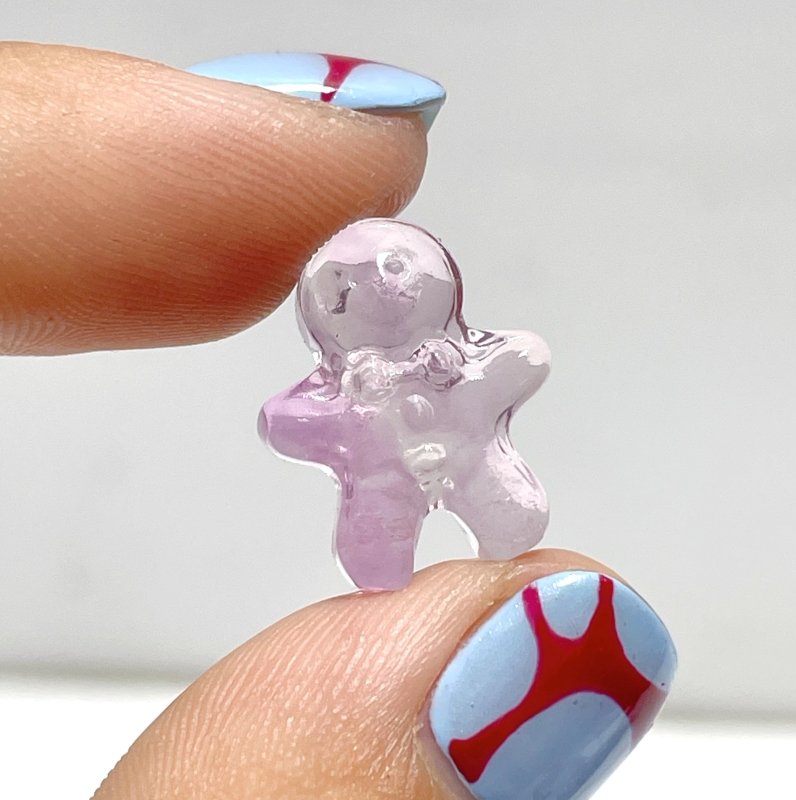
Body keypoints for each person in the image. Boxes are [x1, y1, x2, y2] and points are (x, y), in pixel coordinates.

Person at [0, 43, 675, 800]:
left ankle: (492, 522)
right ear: (330, 310)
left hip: (474, 460)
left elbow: (528, 356)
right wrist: (345, 410)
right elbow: (279, 421)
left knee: (512, 519)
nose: (378, 291)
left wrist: (461, 368)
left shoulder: (466, 366)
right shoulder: (344, 391)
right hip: (382, 487)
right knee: (378, 559)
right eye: (348, 291)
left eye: (395, 275)